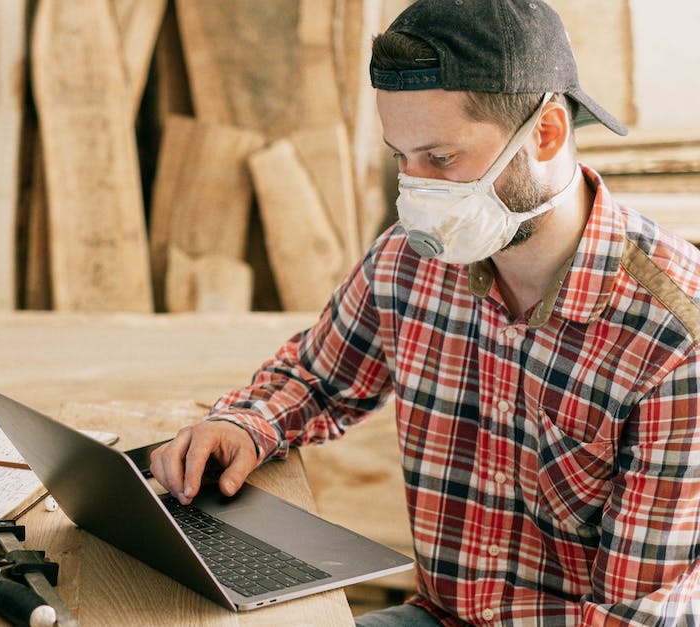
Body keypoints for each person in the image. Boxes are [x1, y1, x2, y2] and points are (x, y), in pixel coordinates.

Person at [149, 1, 700, 624]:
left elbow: (633, 617)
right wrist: (245, 424)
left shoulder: (674, 344)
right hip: (438, 615)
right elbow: (318, 379)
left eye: (441, 160)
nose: (417, 193)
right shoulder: (412, 261)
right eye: (400, 159)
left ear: (546, 132)